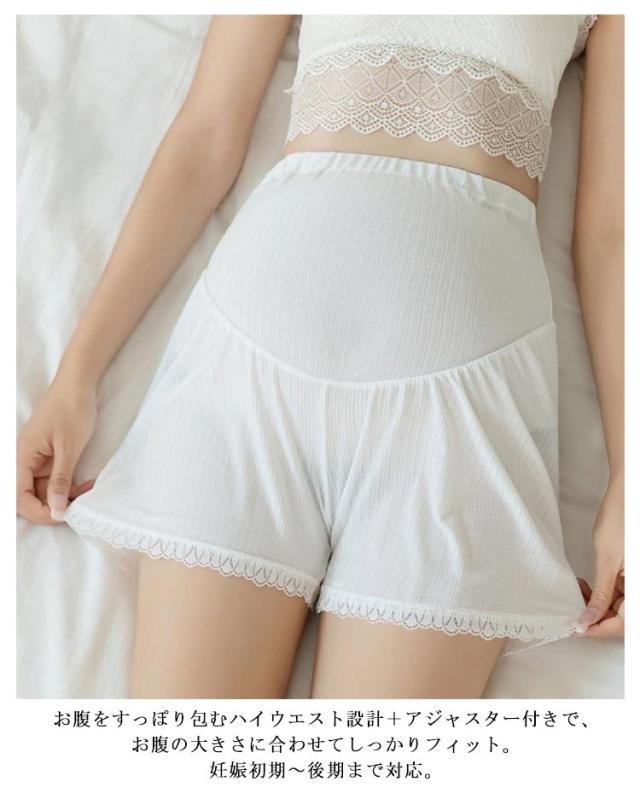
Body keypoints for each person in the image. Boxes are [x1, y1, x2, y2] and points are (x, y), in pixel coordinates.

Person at [16, 14, 623, 699]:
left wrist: (627, 473)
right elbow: (204, 137)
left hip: (461, 417)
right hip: (247, 370)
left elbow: (611, 232)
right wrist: (77, 376)